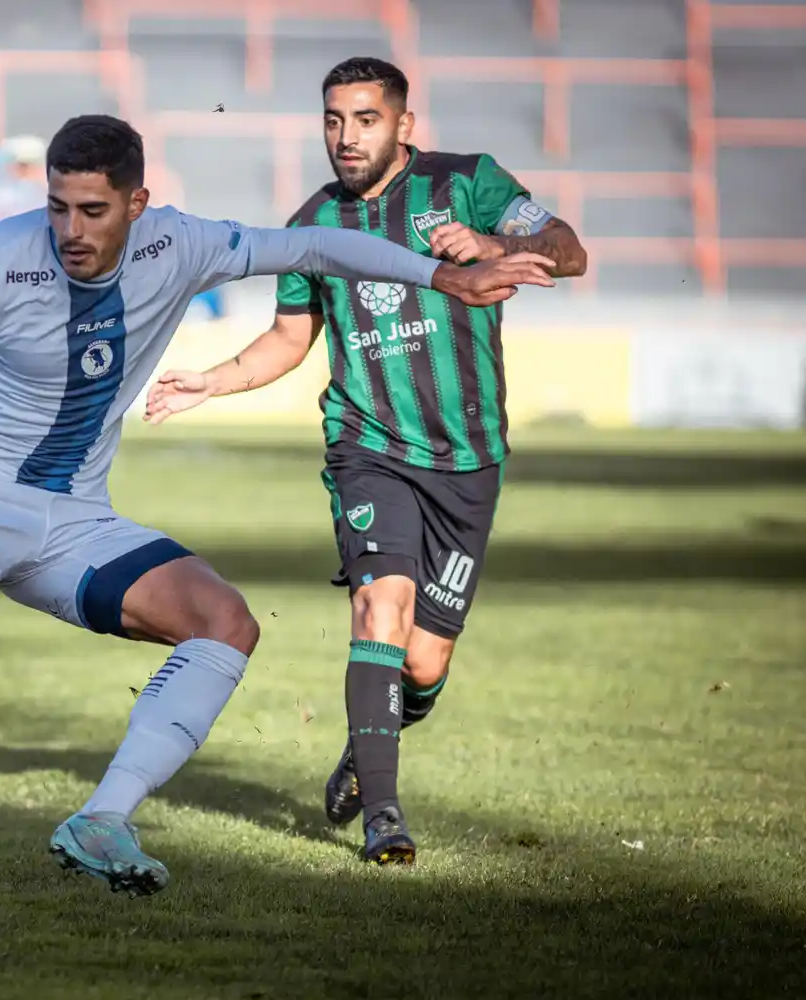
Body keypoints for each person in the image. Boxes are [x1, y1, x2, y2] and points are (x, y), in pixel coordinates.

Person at [0, 113, 555, 895]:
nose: (70, 230)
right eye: (57, 207)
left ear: (137, 204)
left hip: (75, 514)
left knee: (226, 623)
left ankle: (102, 820)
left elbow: (313, 246)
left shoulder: (179, 245)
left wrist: (442, 277)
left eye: (92, 210)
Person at [143, 57, 588, 866]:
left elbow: (569, 250)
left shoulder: (468, 183)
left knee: (423, 660)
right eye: (334, 120)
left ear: (404, 124)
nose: (346, 137)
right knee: (380, 606)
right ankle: (385, 816)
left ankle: (368, 740)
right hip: (368, 446)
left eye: (366, 119)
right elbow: (289, 339)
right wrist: (212, 379)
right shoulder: (313, 223)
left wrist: (494, 242)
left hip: (469, 458)